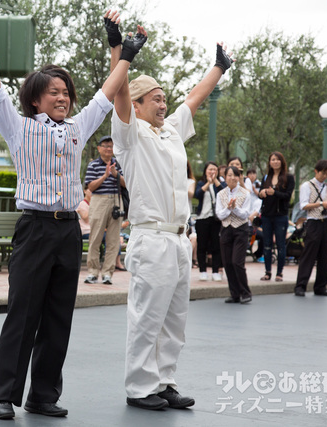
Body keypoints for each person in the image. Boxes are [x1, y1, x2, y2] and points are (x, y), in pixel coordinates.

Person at [0, 10, 146, 420]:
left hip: (68, 230)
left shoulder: (76, 127)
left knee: (57, 317)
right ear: (36, 98)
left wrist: (123, 53)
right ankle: (5, 395)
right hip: (33, 229)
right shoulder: (18, 127)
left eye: (66, 91)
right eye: (54, 92)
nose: (63, 97)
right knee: (22, 313)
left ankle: (43, 395)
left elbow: (106, 94)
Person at [108, 12, 234, 410]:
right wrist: (120, 48)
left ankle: (164, 381)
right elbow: (120, 92)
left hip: (180, 240)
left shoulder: (172, 130)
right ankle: (139, 387)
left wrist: (219, 67)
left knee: (175, 320)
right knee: (147, 317)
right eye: (156, 99)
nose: (164, 103)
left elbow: (194, 97)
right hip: (151, 236)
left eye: (164, 98)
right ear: (140, 105)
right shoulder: (130, 134)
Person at [84, 135, 126, 285]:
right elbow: (90, 186)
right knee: (95, 238)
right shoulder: (93, 165)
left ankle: (108, 273)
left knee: (113, 240)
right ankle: (93, 272)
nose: (108, 149)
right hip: (99, 201)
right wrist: (105, 176)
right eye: (105, 146)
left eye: (111, 146)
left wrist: (116, 175)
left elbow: (127, 184)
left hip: (116, 201)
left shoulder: (119, 164)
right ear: (99, 148)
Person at [294, 160, 327, 297]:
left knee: (324, 255)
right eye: (323, 173)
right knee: (309, 255)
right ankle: (300, 286)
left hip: (325, 222)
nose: (324, 176)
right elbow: (303, 205)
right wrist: (320, 204)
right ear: (316, 171)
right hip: (313, 222)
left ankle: (321, 286)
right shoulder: (307, 185)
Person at [216, 166, 253, 304]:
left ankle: (245, 292)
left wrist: (235, 208)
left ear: (239, 178)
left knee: (237, 262)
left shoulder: (245, 193)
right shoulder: (220, 194)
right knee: (227, 263)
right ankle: (234, 294)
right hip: (226, 229)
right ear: (225, 177)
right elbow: (219, 214)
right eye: (229, 175)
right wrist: (228, 208)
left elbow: (245, 214)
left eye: (235, 175)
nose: (232, 178)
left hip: (240, 229)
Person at [258, 152, 295, 281]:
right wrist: (261, 193)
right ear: (269, 162)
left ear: (282, 161)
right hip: (267, 215)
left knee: (280, 245)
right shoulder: (266, 177)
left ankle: (279, 273)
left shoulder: (288, 178)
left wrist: (275, 193)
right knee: (266, 244)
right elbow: (260, 195)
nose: (275, 162)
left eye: (278, 159)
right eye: (273, 160)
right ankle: (267, 271)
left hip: (280, 216)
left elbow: (288, 197)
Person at [193, 161, 225, 281]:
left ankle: (216, 271)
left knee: (216, 245)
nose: (212, 172)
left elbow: (223, 193)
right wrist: (208, 183)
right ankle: (202, 270)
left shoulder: (219, 184)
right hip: (202, 218)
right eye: (210, 169)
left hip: (216, 219)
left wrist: (215, 181)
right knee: (202, 246)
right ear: (205, 170)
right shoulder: (201, 183)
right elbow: (198, 194)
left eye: (214, 170)